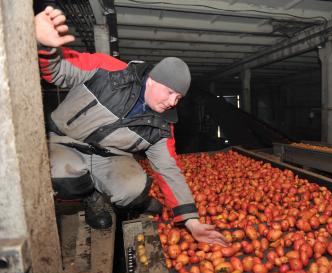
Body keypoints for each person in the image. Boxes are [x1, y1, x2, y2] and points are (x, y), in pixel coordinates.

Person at [35, 6, 227, 246]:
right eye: (170, 93)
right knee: (64, 174)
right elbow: (57, 72)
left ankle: (100, 193)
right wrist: (46, 47)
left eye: (178, 99)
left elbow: (168, 169)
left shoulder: (161, 127)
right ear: (154, 80)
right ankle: (90, 196)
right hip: (64, 142)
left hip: (107, 157)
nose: (172, 102)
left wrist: (192, 221)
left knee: (134, 188)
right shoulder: (108, 72)